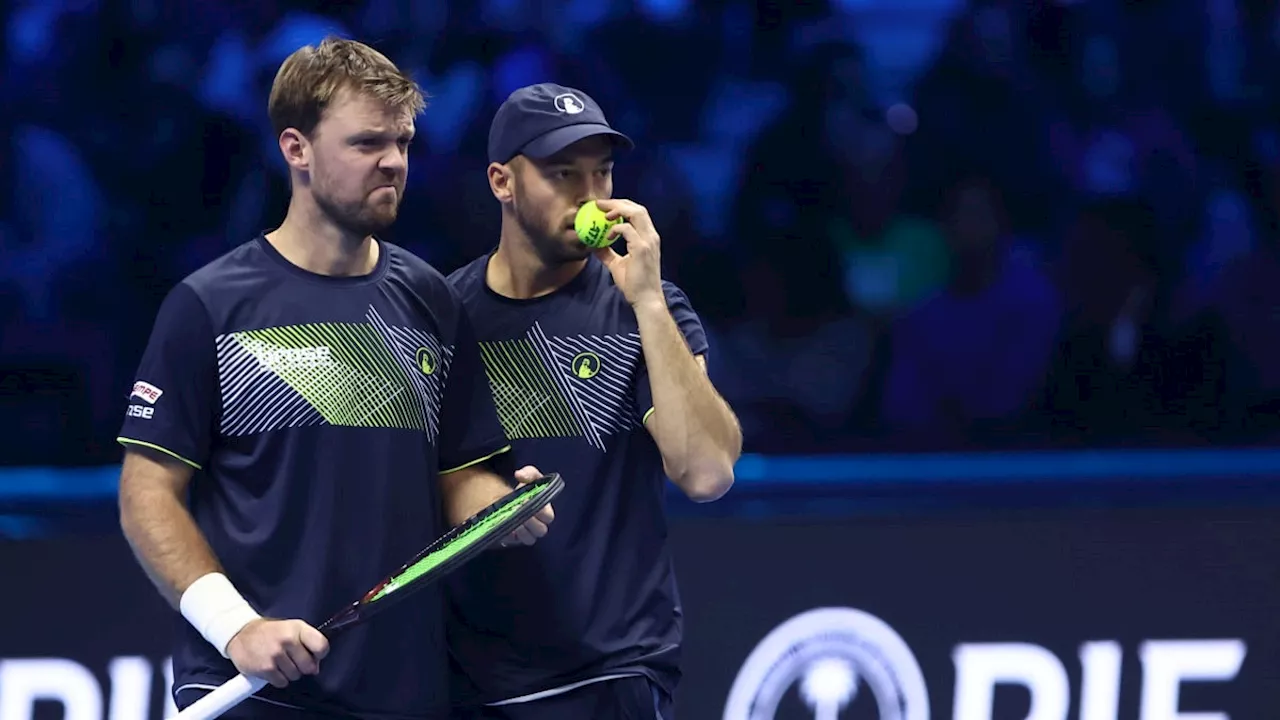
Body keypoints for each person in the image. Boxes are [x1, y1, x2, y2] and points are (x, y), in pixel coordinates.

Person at [116, 37, 554, 720]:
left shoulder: (432, 302)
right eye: (366, 143)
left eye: (404, 142)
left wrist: (495, 512)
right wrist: (238, 628)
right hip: (252, 690)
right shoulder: (209, 304)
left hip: (401, 693)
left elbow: (459, 475)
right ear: (296, 149)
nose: (394, 163)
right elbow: (147, 494)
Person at [444, 83, 743, 719]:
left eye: (601, 173)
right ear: (503, 181)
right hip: (471, 686)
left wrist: (649, 299)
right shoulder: (442, 316)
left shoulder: (647, 312)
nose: (591, 198)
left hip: (612, 678)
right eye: (562, 174)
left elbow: (708, 472)